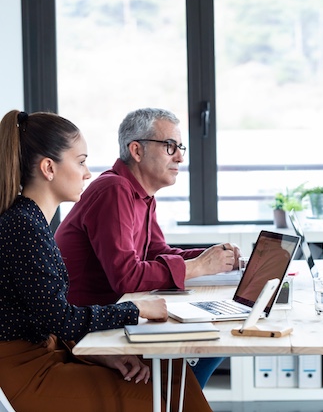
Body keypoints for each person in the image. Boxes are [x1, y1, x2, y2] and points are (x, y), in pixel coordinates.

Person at [0, 110, 211, 411]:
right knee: (160, 401)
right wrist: (133, 310)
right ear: (49, 168)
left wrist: (97, 353)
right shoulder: (23, 227)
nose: (87, 173)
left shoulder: (31, 222)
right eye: (81, 161)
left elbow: (51, 318)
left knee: (174, 376)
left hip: (53, 350)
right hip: (27, 371)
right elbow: (61, 318)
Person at [55, 107, 238, 388]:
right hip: (84, 329)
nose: (180, 156)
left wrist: (215, 258)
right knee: (205, 344)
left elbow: (158, 254)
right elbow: (127, 275)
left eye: (181, 147)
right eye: (170, 146)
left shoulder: (141, 195)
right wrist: (199, 266)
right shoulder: (113, 190)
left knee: (210, 343)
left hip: (111, 317)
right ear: (137, 150)